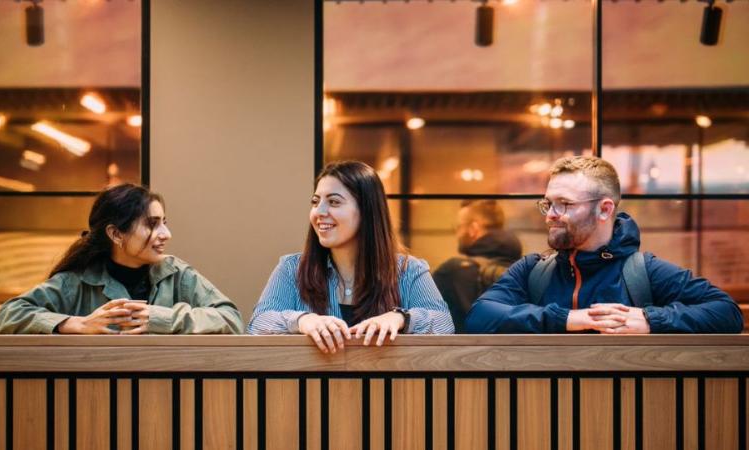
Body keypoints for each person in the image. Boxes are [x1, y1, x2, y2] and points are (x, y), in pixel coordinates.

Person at [464, 155, 744, 334]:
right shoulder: (532, 270)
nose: (550, 215)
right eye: (548, 203)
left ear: (605, 210)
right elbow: (479, 317)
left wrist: (650, 320)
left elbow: (726, 313)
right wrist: (566, 319)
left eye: (565, 204)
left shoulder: (644, 271)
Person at [248, 160, 453, 353]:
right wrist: (302, 320)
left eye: (334, 202)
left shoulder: (409, 270)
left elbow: (444, 324)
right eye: (315, 201)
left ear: (367, 211)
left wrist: (400, 318)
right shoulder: (292, 268)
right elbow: (258, 324)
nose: (319, 212)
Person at [0, 183, 244, 334]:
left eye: (164, 223)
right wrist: (73, 324)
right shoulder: (78, 281)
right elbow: (7, 315)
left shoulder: (178, 274)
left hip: (170, 397)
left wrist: (161, 318)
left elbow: (231, 319)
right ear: (115, 233)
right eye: (151, 224)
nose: (166, 234)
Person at [433, 200, 522, 332]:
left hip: (465, 351)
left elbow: (430, 319)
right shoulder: (523, 267)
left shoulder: (452, 271)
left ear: (473, 229)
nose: (457, 233)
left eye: (459, 227)